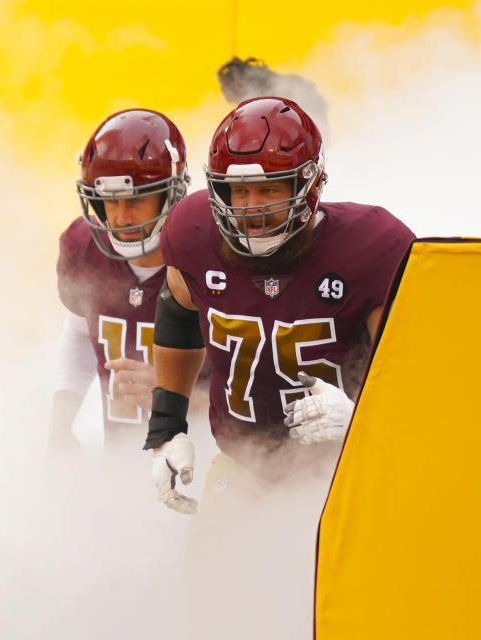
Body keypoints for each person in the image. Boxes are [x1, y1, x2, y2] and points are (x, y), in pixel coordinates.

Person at [145, 96, 414, 637]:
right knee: (216, 596)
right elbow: (177, 311)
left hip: (346, 472)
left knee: (343, 609)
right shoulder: (193, 233)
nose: (251, 206)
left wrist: (364, 416)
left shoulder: (374, 248)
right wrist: (167, 425)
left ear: (309, 185)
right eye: (237, 191)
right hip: (246, 461)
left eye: (270, 188)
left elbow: (420, 378)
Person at [50, 108, 190, 454]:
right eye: (109, 201)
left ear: (172, 195)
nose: (121, 217)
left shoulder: (205, 258)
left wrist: (175, 395)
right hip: (121, 467)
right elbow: (81, 333)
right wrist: (60, 425)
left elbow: (249, 395)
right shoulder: (82, 247)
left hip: (200, 463)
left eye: (136, 199)